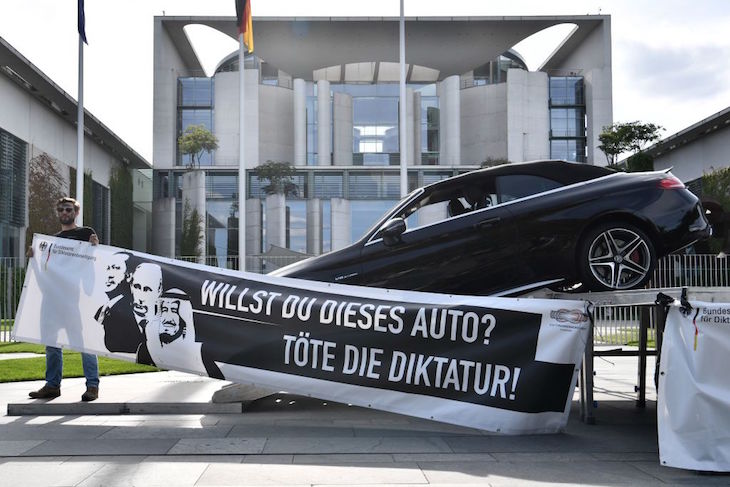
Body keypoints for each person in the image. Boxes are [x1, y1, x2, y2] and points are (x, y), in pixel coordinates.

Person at [28, 197, 100, 402]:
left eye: (68, 209)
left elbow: (95, 261)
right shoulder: (52, 240)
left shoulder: (86, 233)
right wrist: (34, 257)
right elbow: (48, 269)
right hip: (52, 298)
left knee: (83, 343)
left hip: (75, 298)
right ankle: (52, 385)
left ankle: (92, 386)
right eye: (61, 210)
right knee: (51, 344)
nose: (64, 213)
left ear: (76, 212)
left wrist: (95, 247)